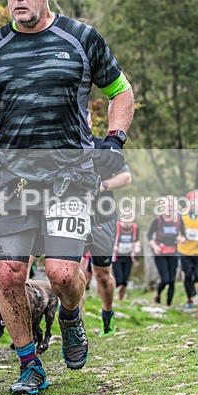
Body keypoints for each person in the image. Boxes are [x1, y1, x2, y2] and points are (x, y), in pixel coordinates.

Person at [0, 0, 134, 395]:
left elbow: (121, 92)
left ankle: (70, 317)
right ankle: (29, 365)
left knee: (62, 274)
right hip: (12, 178)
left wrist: (114, 139)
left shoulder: (82, 38)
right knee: (9, 274)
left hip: (70, 175)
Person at [79, 119, 132, 337]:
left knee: (102, 275)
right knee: (76, 273)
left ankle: (107, 314)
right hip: (76, 216)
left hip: (103, 218)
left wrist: (102, 186)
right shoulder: (65, 148)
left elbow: (126, 177)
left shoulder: (103, 146)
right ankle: (75, 328)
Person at [147, 196, 184, 307]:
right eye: (166, 206)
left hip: (173, 252)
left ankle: (168, 305)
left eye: (171, 206)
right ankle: (158, 294)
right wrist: (154, 246)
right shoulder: (157, 220)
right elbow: (149, 236)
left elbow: (184, 234)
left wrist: (181, 239)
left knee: (172, 280)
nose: (168, 208)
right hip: (160, 254)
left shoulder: (178, 220)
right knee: (165, 279)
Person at [177, 190, 198, 309]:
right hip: (185, 251)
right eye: (192, 200)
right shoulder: (180, 214)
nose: (194, 203)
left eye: (196, 200)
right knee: (188, 275)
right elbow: (175, 230)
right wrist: (179, 237)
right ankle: (189, 298)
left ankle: (194, 289)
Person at [112, 211, 138, 301]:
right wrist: (113, 247)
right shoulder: (116, 226)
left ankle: (120, 299)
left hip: (128, 257)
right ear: (121, 217)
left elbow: (136, 240)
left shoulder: (135, 228)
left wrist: (137, 247)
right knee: (119, 280)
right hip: (117, 257)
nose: (127, 220)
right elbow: (109, 239)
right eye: (126, 217)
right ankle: (108, 294)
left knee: (125, 281)